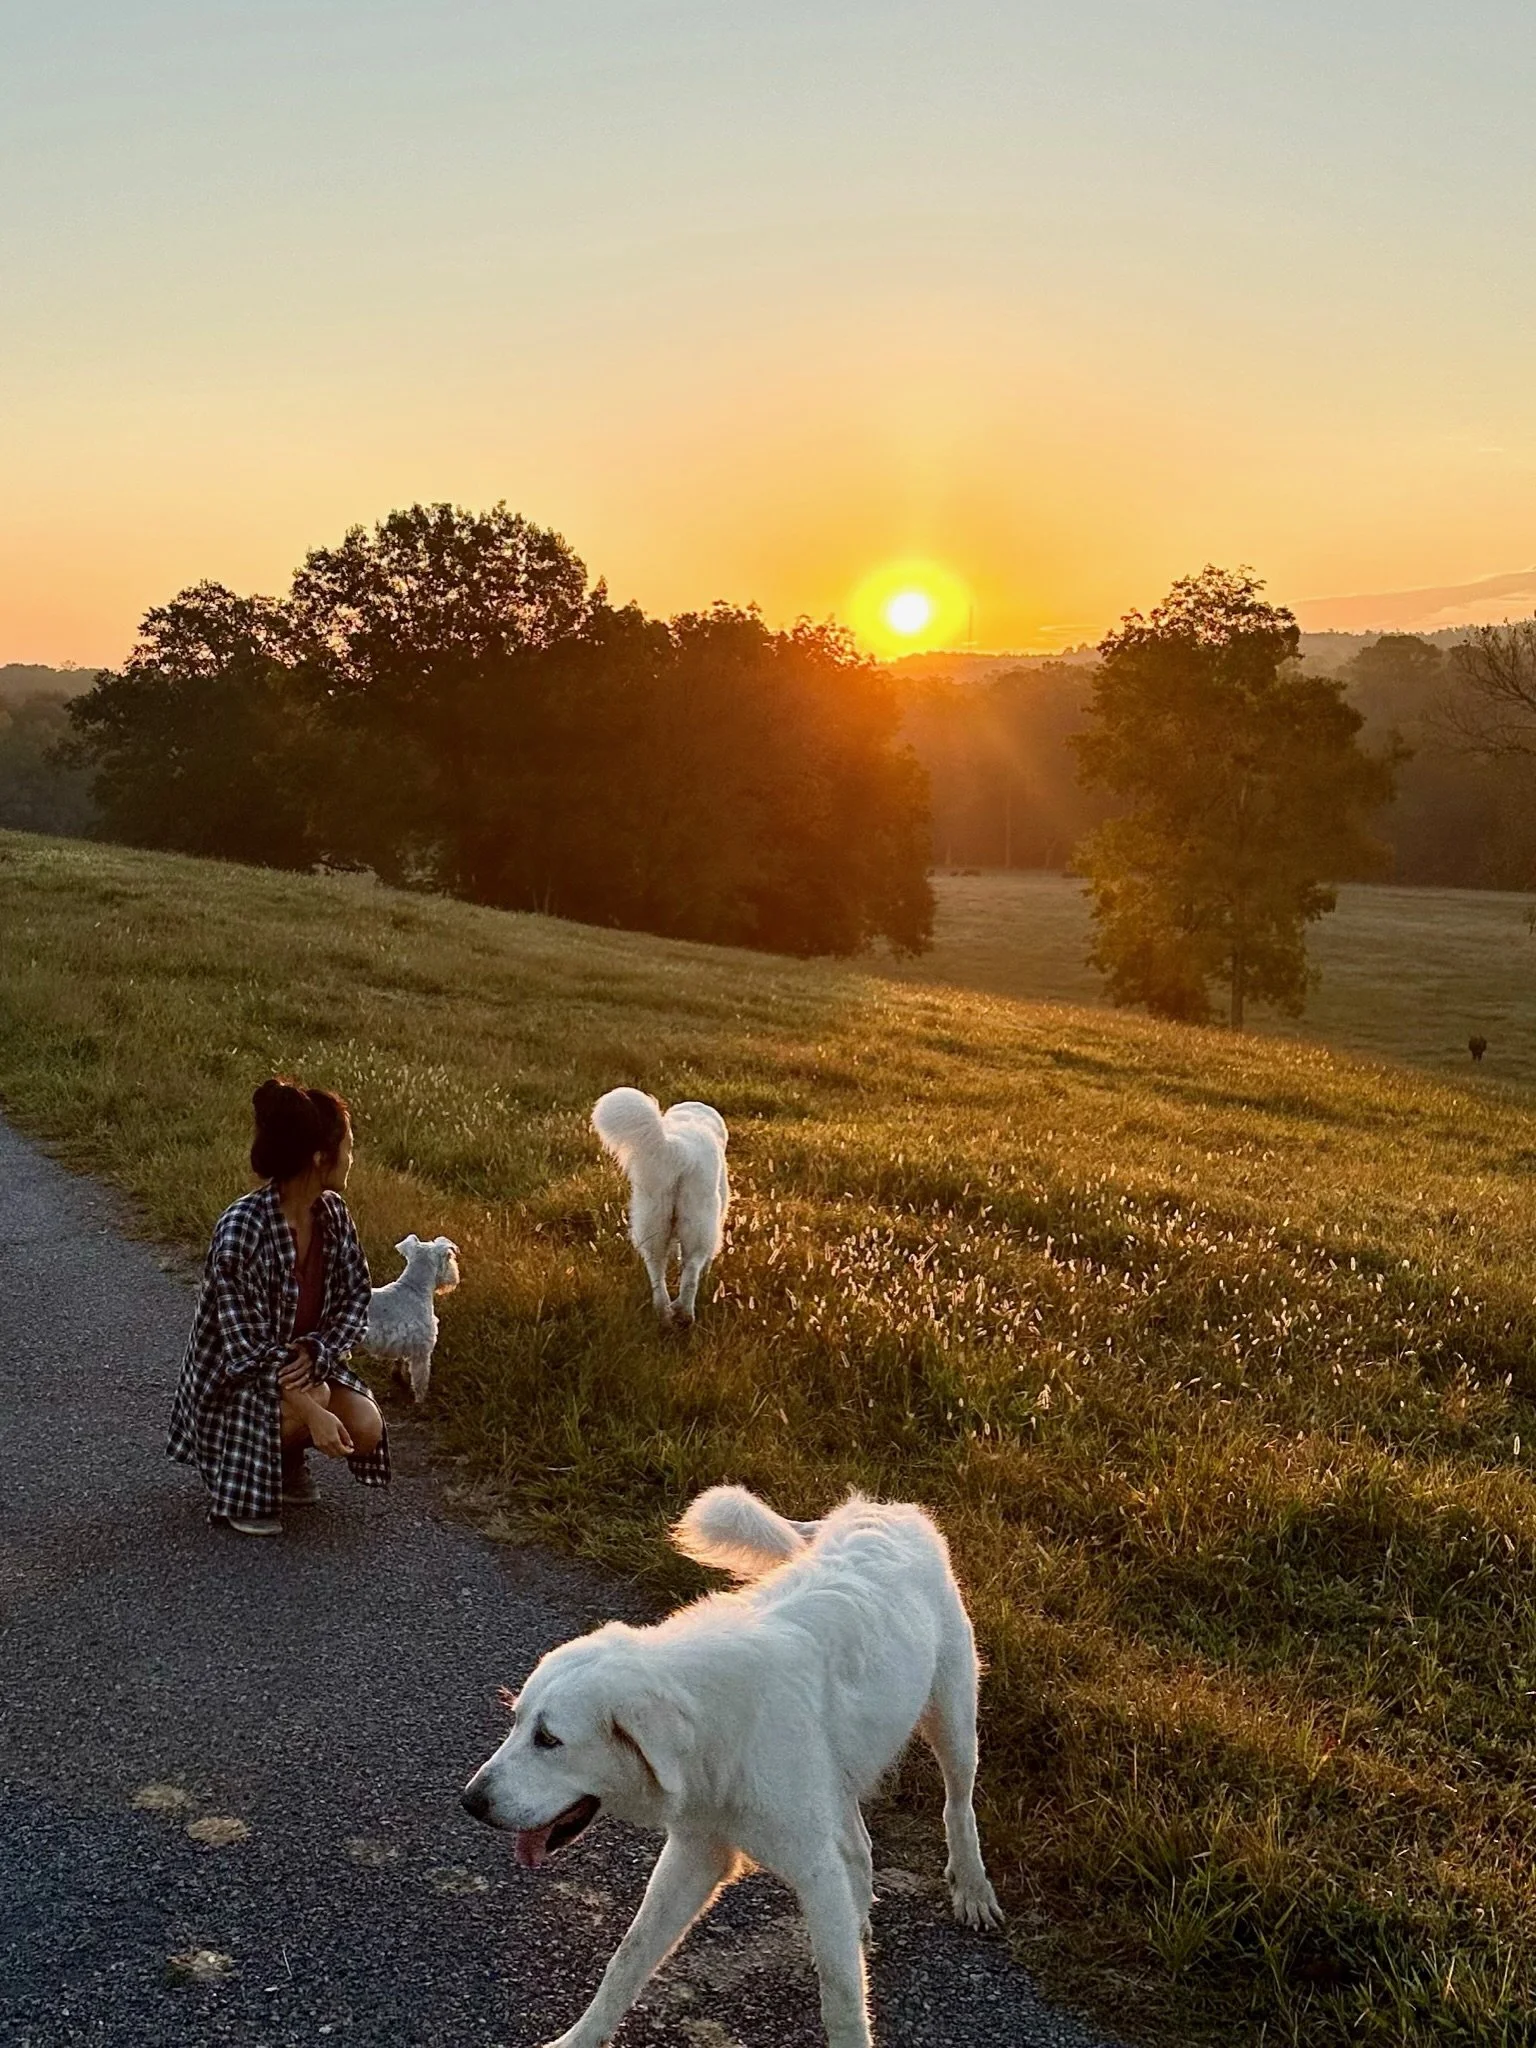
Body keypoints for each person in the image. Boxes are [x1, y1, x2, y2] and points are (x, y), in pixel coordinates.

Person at [168, 1078, 389, 1536]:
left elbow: (355, 1299)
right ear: (318, 1157)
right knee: (319, 1399)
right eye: (347, 1147)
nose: (352, 1158)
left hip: (303, 1370)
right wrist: (312, 1412)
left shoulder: (333, 1214)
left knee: (367, 1427)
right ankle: (236, 1489)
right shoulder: (240, 1229)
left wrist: (317, 1352)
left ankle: (282, 1463)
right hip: (232, 1387)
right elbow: (242, 1353)